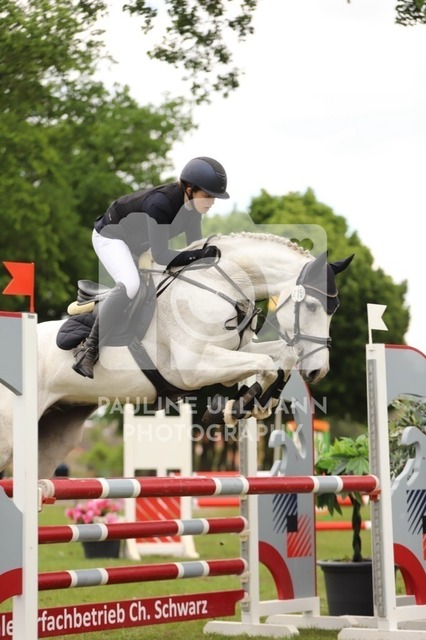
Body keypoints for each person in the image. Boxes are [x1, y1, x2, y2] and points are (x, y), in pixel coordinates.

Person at [72, 156, 229, 378]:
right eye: (208, 196)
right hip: (111, 237)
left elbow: (194, 248)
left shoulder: (193, 210)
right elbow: (162, 255)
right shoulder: (161, 204)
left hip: (138, 245)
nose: (212, 202)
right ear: (189, 189)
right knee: (131, 284)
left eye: (214, 198)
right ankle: (88, 349)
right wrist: (200, 255)